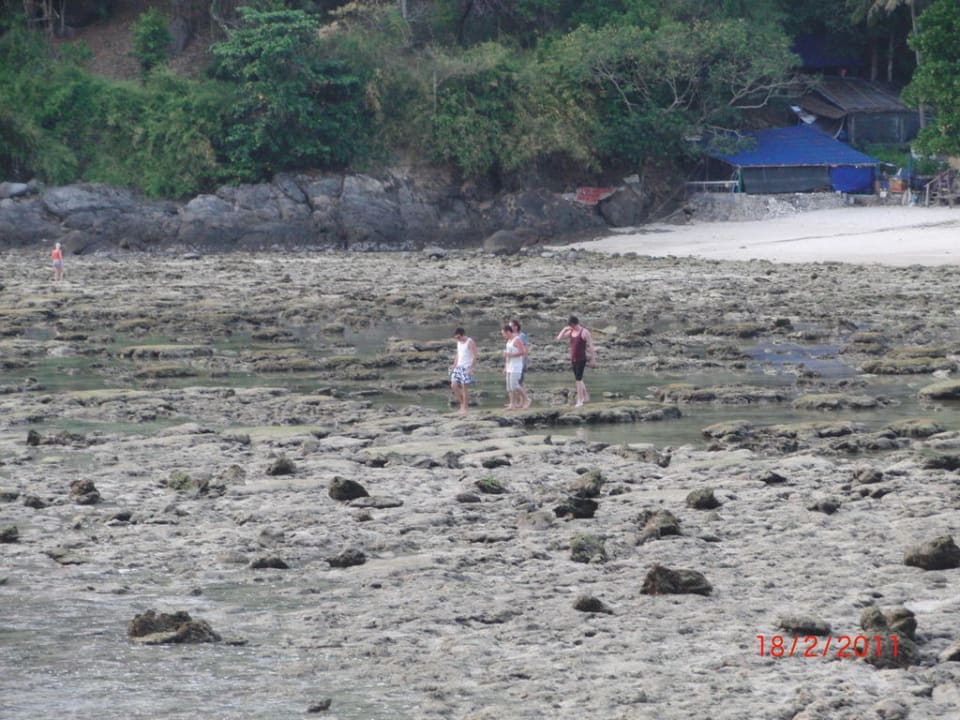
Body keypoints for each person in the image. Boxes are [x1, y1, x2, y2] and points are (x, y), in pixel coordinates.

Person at [556, 315, 596, 407]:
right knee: (579, 379)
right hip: (573, 358)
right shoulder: (571, 331)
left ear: (573, 324)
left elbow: (591, 346)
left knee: (578, 380)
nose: (570, 327)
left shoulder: (584, 332)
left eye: (570, 325)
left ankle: (580, 400)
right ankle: (585, 396)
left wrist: (593, 359)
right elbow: (559, 338)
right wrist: (564, 329)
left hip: (581, 358)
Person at [449, 327, 478, 414]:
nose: (457, 339)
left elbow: (475, 356)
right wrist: (453, 365)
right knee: (453, 385)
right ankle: (462, 403)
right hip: (458, 367)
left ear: (463, 335)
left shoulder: (470, 342)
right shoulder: (458, 342)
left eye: (458, 337)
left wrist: (471, 368)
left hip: (466, 367)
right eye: (456, 338)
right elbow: (458, 354)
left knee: (464, 388)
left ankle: (465, 407)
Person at [501, 323, 526, 409]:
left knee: (515, 385)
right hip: (509, 366)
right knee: (509, 387)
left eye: (504, 334)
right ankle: (512, 404)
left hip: (516, 366)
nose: (503, 336)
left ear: (508, 332)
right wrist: (505, 367)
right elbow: (507, 355)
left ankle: (527, 399)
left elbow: (522, 352)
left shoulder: (517, 340)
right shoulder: (508, 341)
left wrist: (510, 354)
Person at [508, 318, 532, 408]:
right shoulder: (511, 336)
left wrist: (524, 359)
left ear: (516, 326)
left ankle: (524, 401)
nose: (510, 327)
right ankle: (518, 402)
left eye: (511, 326)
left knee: (519, 382)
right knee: (516, 382)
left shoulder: (521, 335)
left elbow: (525, 348)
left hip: (521, 360)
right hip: (513, 361)